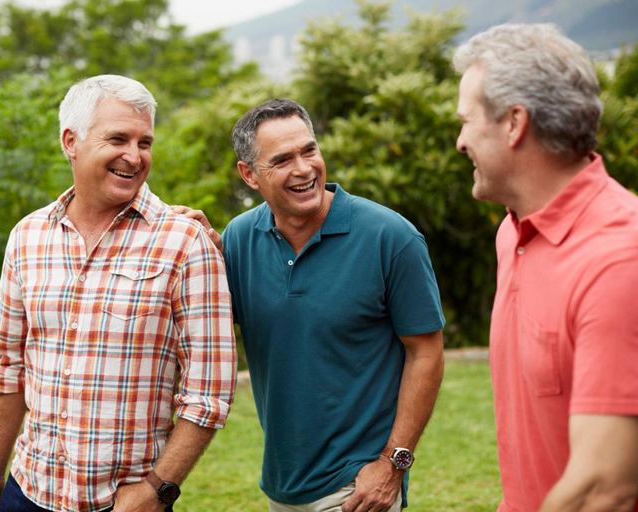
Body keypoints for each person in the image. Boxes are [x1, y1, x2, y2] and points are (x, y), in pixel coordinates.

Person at [0, 75, 238, 512]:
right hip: (27, 491)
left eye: (144, 142)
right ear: (71, 141)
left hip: (126, 502)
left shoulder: (186, 242)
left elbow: (210, 390)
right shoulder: (27, 236)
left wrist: (157, 488)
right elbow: (6, 366)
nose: (134, 156)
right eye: (118, 139)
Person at [175, 98, 445, 512]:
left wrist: (394, 464)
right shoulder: (240, 238)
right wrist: (200, 258)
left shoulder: (391, 237)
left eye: (309, 150)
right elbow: (204, 329)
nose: (303, 169)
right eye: (282, 160)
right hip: (281, 486)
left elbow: (426, 350)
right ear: (249, 175)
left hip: (357, 489)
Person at [453, 23, 638, 512]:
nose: (458, 141)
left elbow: (607, 488)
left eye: (466, 121)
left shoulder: (620, 260)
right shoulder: (511, 233)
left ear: (515, 123)